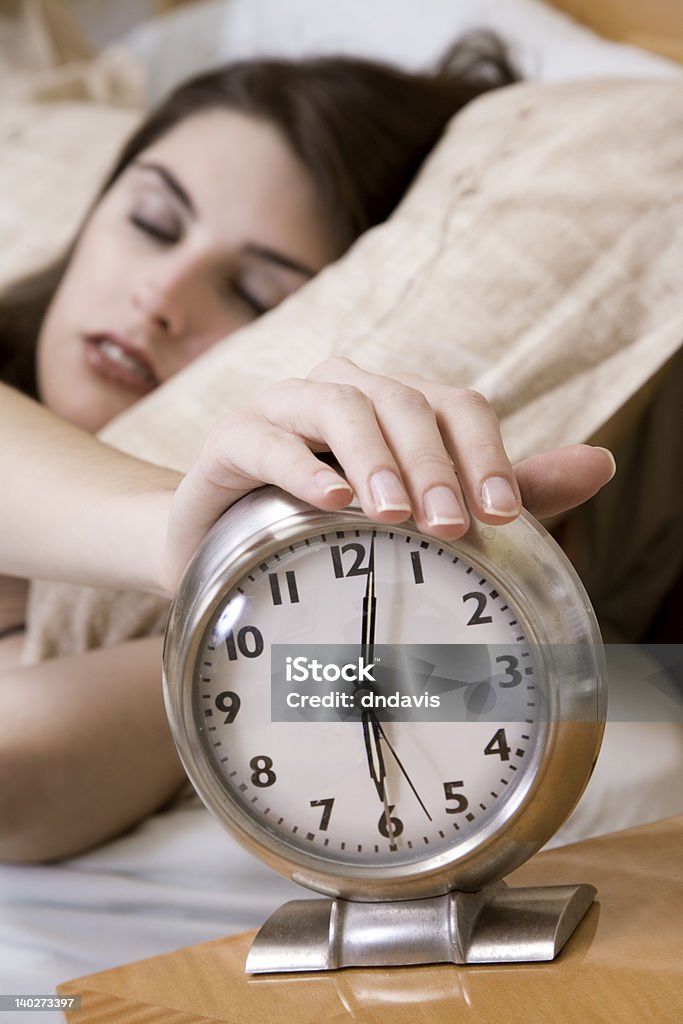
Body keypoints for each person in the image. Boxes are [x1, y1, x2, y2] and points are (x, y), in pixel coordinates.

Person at [0, 40, 616, 863]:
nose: (160, 300)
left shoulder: (224, 632)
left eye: (255, 293)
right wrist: (171, 531)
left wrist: (281, 567)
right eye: (152, 222)